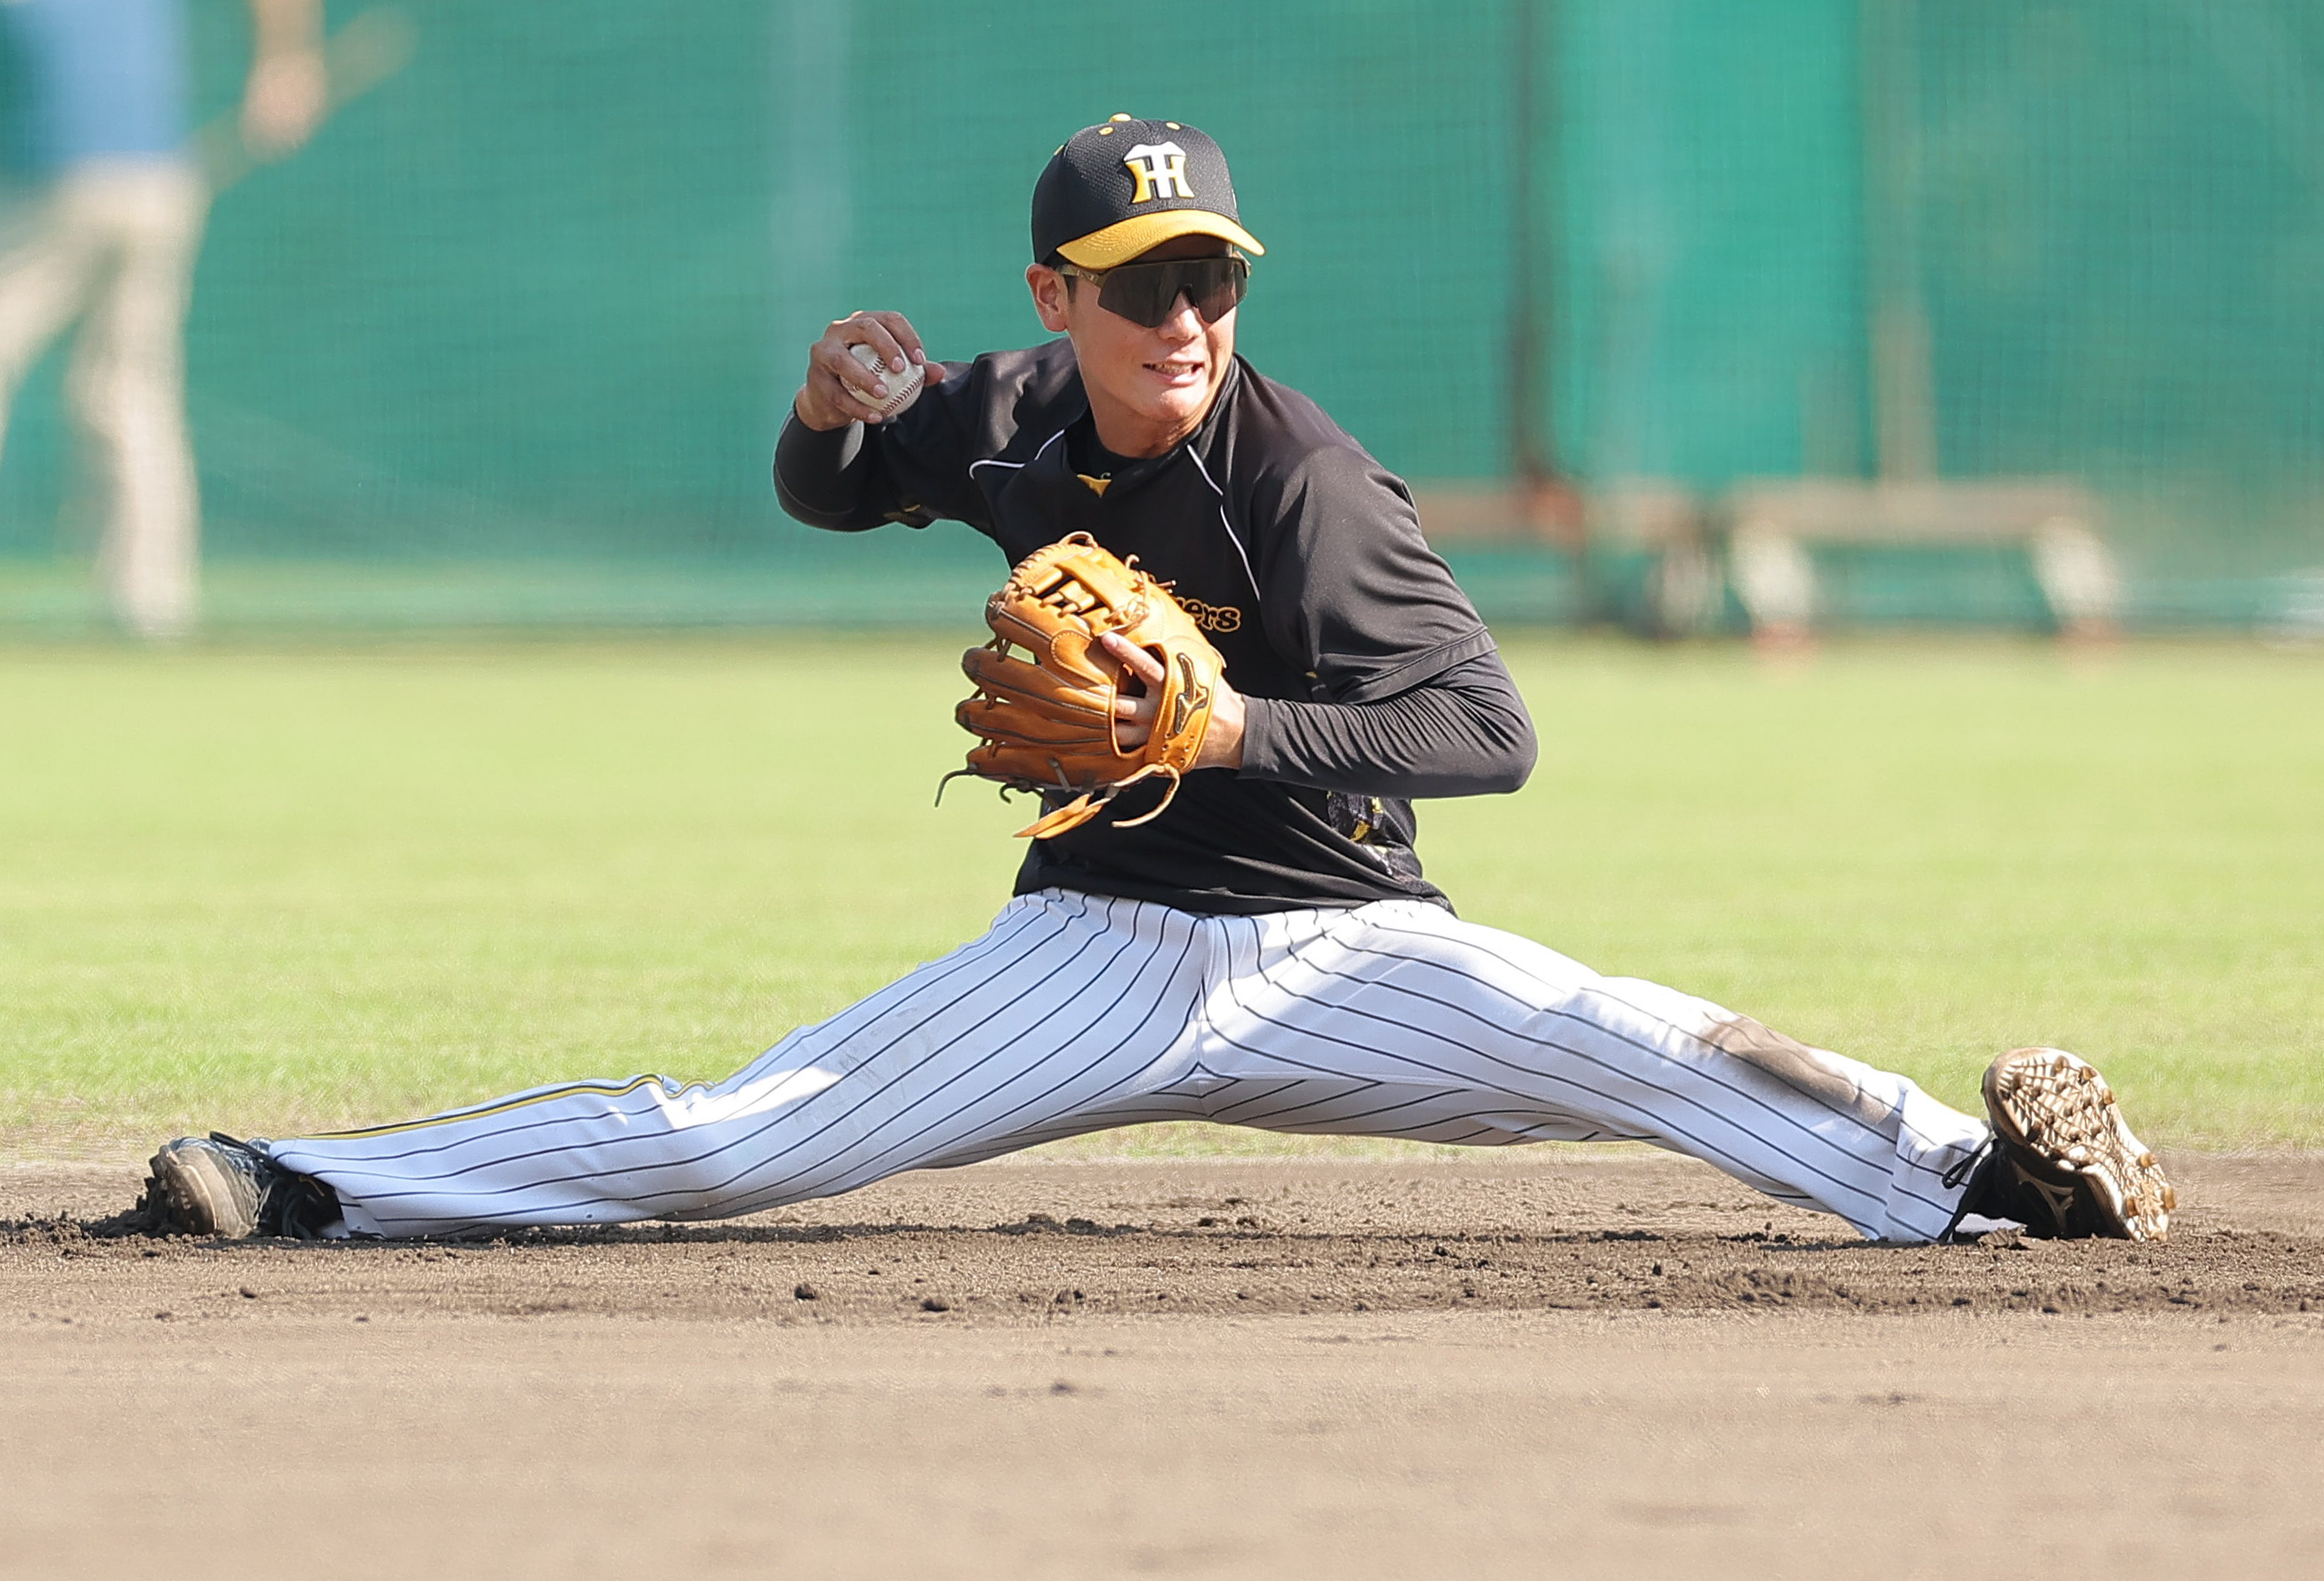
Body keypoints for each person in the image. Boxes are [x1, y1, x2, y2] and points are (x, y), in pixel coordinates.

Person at [135, 116, 2175, 1247]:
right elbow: (834, 497)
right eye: (1141, 282)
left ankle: (1994, 1183)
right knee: (731, 1139)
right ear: (1057, 299)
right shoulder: (1010, 411)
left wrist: (1221, 728)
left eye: (1209, 274)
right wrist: (831, 413)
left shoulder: (1305, 483)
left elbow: (1490, 735)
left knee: (1649, 1046)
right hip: (1089, 947)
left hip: (1338, 946)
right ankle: (309, 1178)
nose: (1184, 310)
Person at [0, 0, 324, 638]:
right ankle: (152, 607)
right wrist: (286, 63)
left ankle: (150, 603)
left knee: (116, 388)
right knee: (127, 394)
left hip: (53, 178)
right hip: (156, 183)